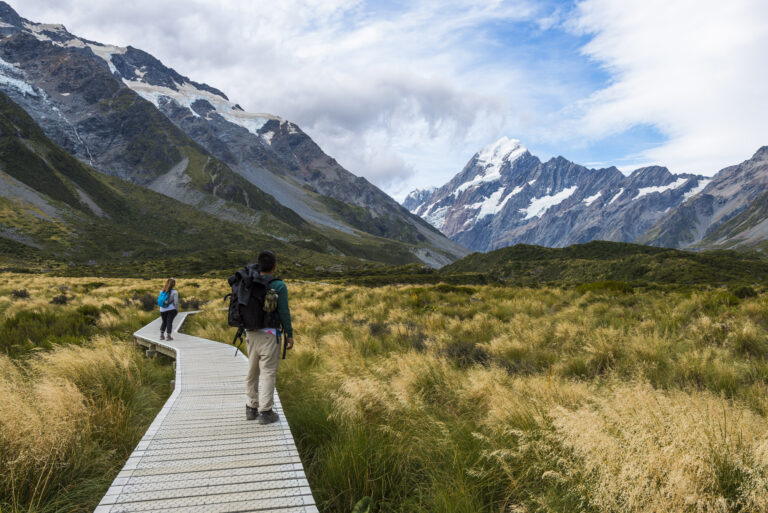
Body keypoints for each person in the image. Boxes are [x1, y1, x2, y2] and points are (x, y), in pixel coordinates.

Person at [246, 250, 294, 424]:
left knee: (252, 370)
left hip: (250, 332)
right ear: (274, 266)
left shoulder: (250, 282)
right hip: (270, 334)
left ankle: (251, 408)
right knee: (268, 372)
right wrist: (289, 333)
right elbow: (283, 312)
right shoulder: (279, 285)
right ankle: (265, 412)